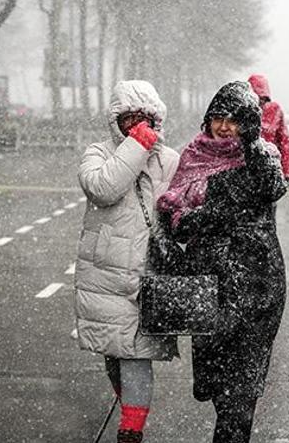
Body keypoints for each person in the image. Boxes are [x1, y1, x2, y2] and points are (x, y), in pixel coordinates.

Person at [157, 81, 288, 443]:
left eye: (235, 119)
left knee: (241, 390)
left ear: (249, 121)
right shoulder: (193, 155)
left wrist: (204, 214)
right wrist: (192, 220)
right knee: (216, 384)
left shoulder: (262, 157)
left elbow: (271, 186)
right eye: (218, 118)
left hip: (257, 284)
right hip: (209, 287)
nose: (225, 126)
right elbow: (173, 216)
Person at [74, 80, 180, 443]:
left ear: (156, 119)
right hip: (106, 273)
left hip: (149, 274)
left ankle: (131, 429)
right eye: (128, 119)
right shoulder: (98, 153)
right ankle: (129, 409)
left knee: (136, 355)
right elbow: (104, 188)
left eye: (144, 119)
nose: (136, 126)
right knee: (113, 353)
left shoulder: (170, 160)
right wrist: (137, 146)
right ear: (115, 121)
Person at [248, 74, 289, 182]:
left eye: (263, 98)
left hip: (269, 168)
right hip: (246, 168)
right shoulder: (241, 111)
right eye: (257, 98)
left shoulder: (275, 110)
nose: (260, 102)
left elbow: (284, 141)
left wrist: (287, 170)